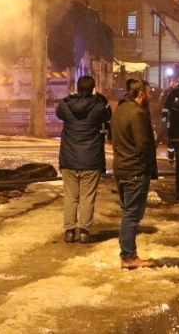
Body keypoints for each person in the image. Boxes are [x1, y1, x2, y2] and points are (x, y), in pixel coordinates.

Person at [56, 76, 112, 244]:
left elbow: (59, 111)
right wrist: (96, 97)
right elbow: (108, 114)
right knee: (87, 197)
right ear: (93, 88)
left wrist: (73, 96)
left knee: (70, 196)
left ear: (77, 88)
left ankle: (70, 232)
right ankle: (84, 233)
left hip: (69, 159)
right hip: (91, 159)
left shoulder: (65, 105)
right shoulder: (97, 105)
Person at [111, 79, 159, 269]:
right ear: (140, 94)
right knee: (131, 215)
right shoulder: (137, 113)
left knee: (128, 213)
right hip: (135, 170)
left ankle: (129, 254)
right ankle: (128, 256)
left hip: (121, 168)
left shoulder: (119, 110)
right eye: (148, 93)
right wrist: (148, 167)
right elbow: (143, 145)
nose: (150, 96)